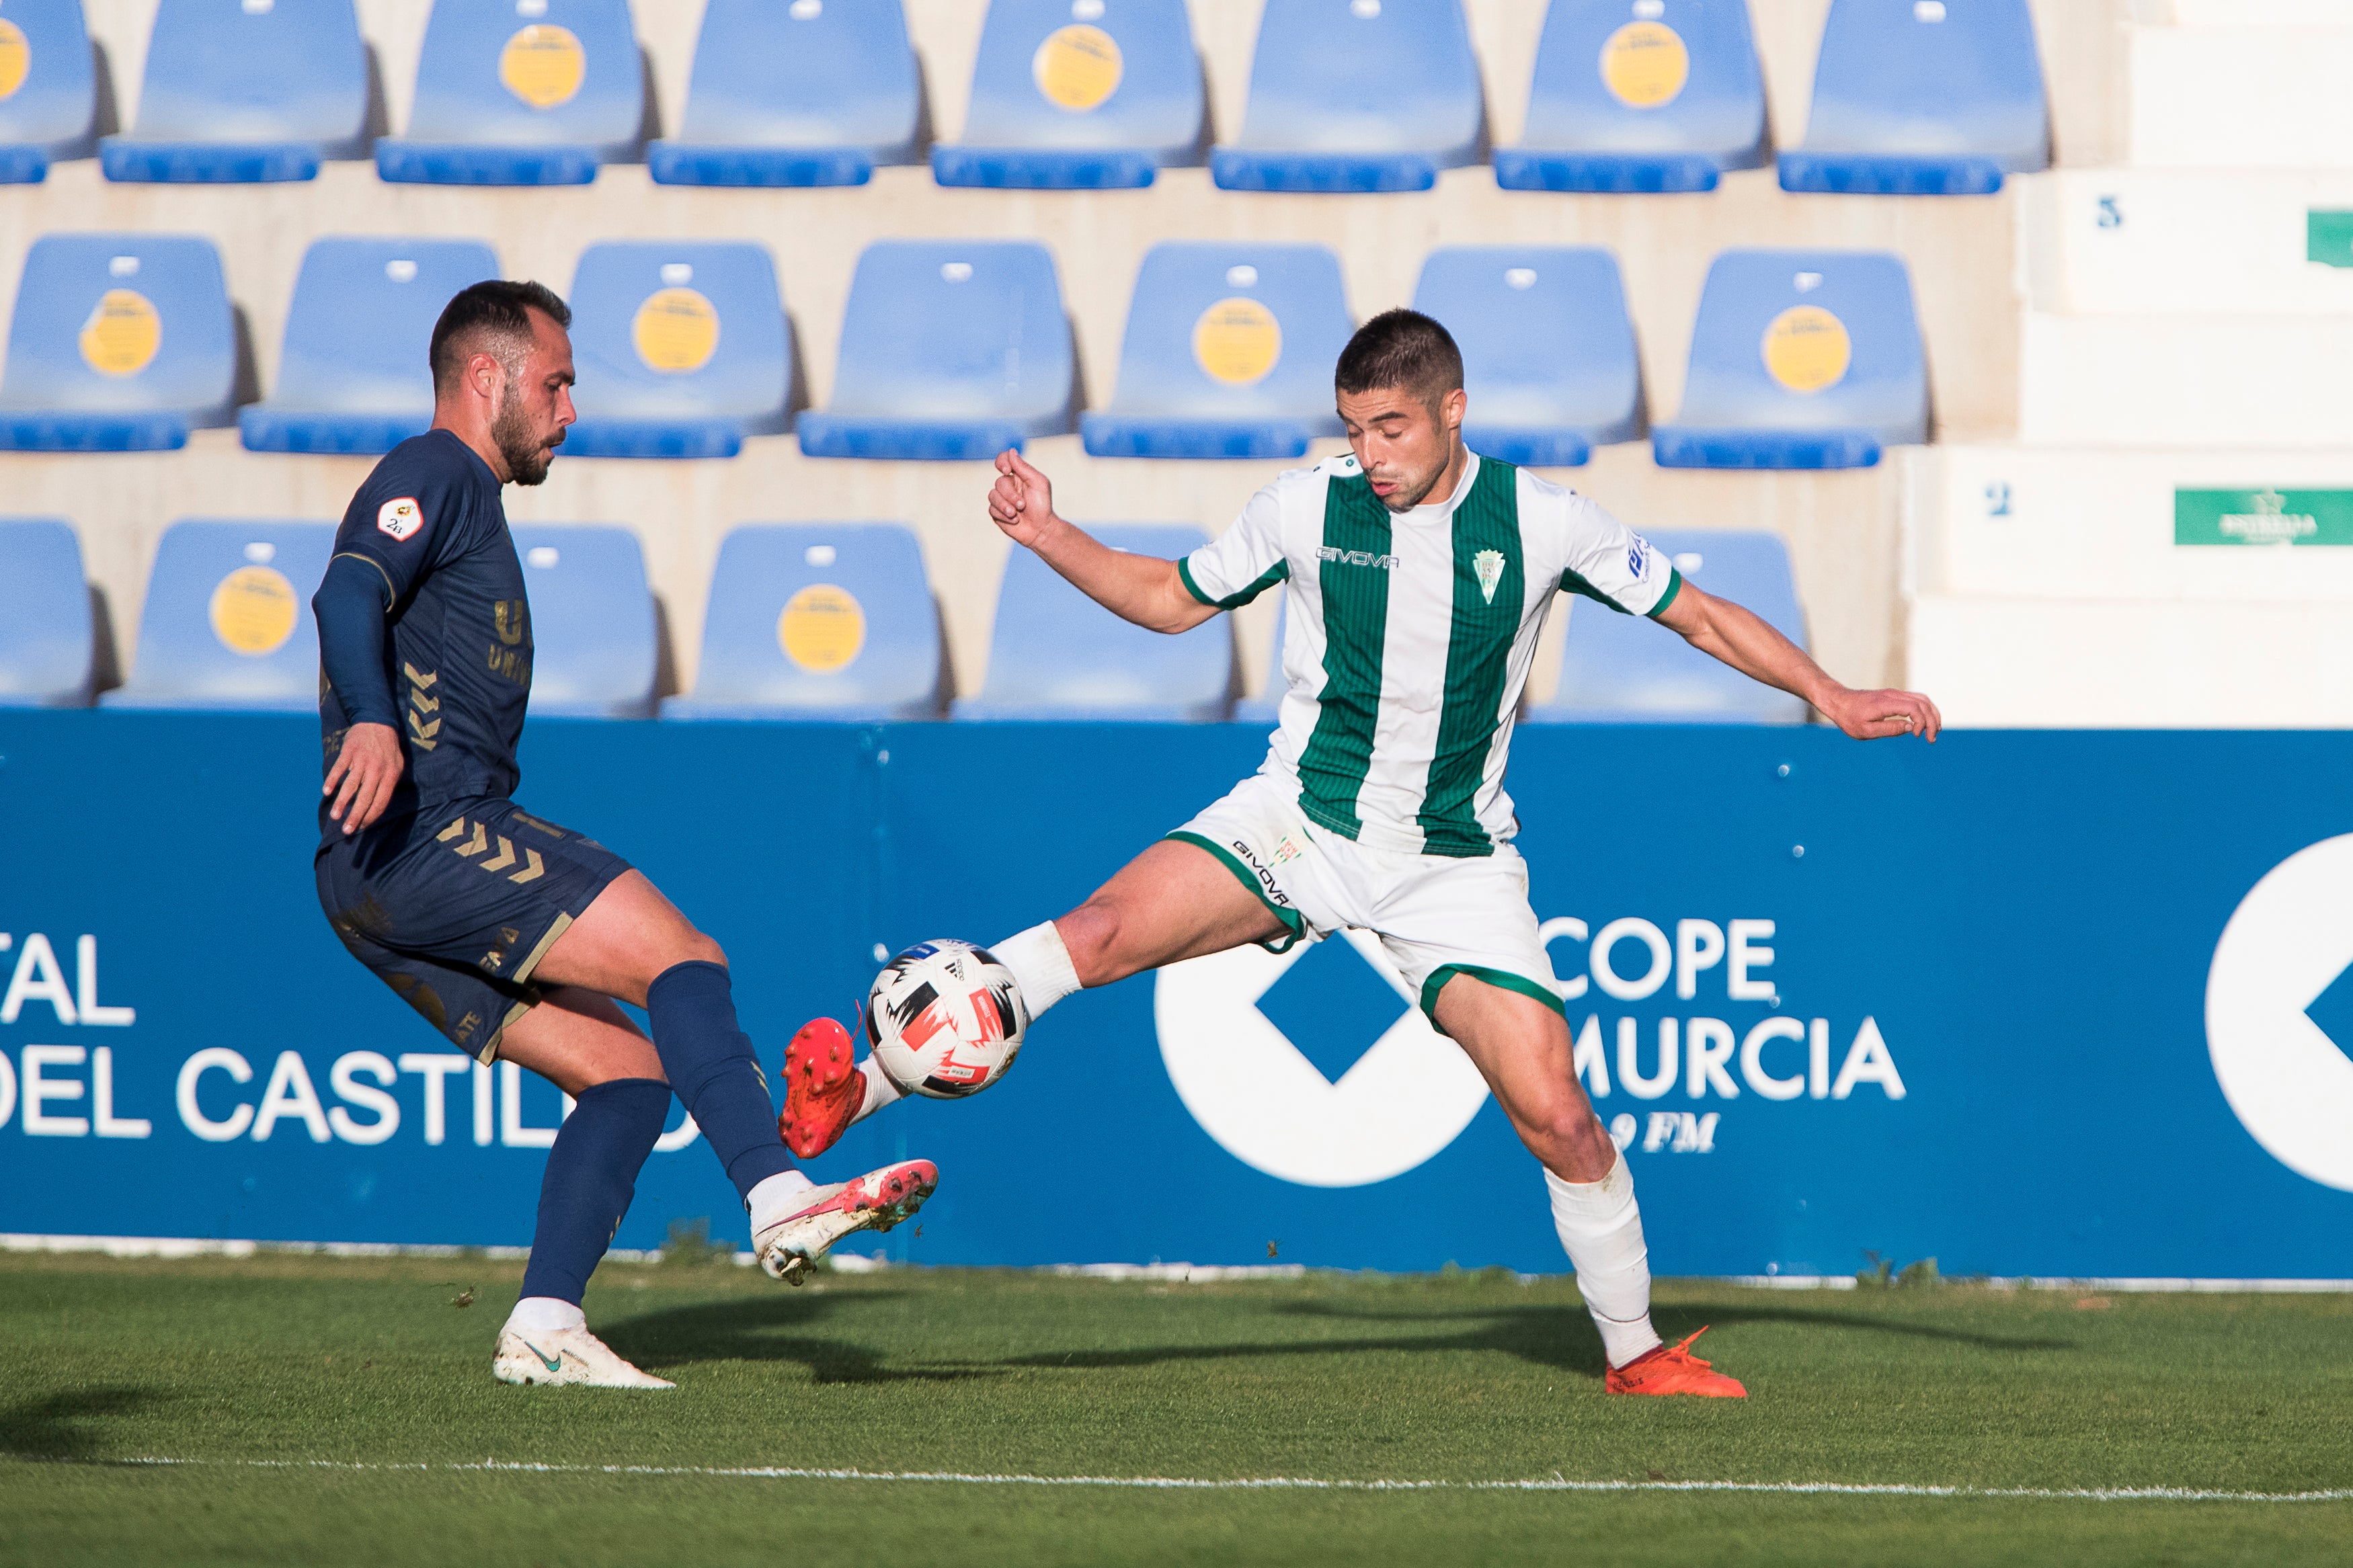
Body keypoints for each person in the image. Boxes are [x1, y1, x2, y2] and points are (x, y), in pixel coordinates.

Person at [779, 309, 1942, 1399]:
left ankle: (1634, 1353)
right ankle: (861, 1091)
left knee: (1561, 1114)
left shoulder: (1546, 521)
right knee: (1096, 935)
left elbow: (1700, 613)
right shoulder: (1306, 508)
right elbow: (1171, 600)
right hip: (1298, 821)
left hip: (1454, 866)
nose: (1370, 453)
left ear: (1452, 411)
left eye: (1391, 427)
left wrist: (1829, 693)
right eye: (1354, 428)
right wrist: (1044, 531)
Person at [311, 280, 935, 1390]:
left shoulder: (468, 496)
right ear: (486, 377)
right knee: (683, 958)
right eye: (554, 384)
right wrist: (370, 717)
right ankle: (778, 1195)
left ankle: (546, 1324)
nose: (568, 410)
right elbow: (348, 591)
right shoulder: (432, 472)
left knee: (630, 1077)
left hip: (375, 879)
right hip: (426, 836)